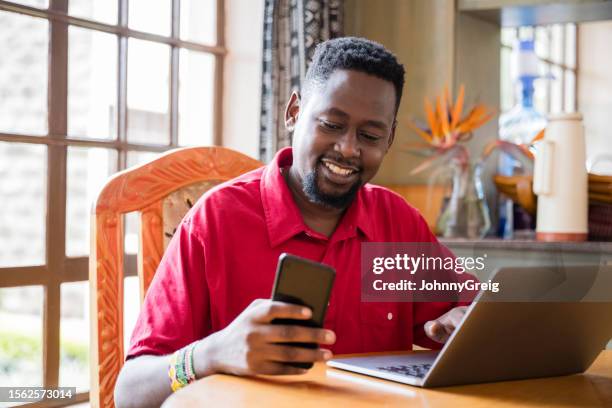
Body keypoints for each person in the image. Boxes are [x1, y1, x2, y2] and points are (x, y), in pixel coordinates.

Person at [114, 37, 471, 408]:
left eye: (369, 136)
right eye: (332, 124)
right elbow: (128, 393)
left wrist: (466, 321)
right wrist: (209, 354)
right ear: (294, 112)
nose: (349, 148)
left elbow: (473, 313)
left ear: (389, 139)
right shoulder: (215, 220)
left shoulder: (398, 224)